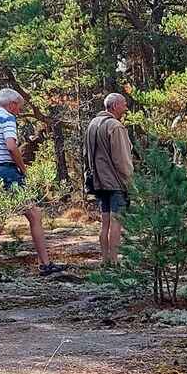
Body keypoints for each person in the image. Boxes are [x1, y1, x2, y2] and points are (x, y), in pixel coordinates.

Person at [0, 88, 63, 284]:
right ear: (12, 104)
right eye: (19, 107)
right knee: (34, 214)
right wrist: (22, 169)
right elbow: (11, 146)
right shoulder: (7, 118)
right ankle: (45, 264)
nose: (19, 111)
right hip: (7, 171)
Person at [85, 92, 134, 265]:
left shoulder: (92, 124)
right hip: (115, 182)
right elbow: (122, 159)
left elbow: (87, 155)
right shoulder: (115, 126)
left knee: (104, 222)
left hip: (98, 181)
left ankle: (104, 260)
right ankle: (114, 262)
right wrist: (130, 182)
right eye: (124, 104)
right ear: (115, 106)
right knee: (116, 221)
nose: (126, 107)